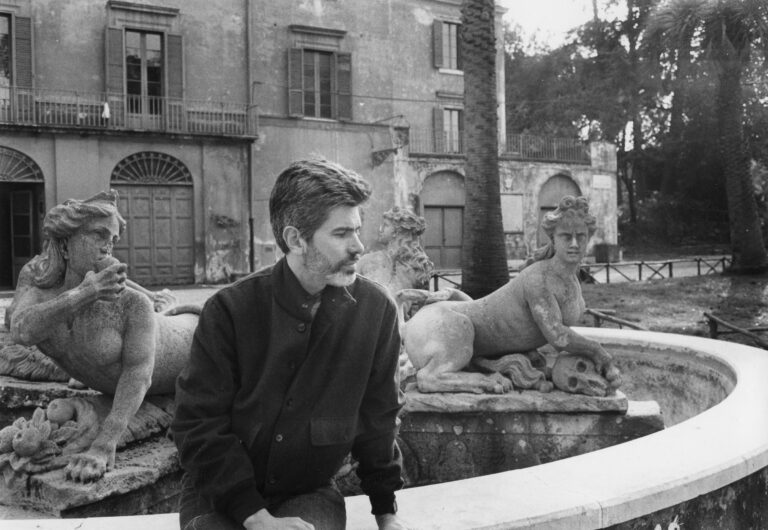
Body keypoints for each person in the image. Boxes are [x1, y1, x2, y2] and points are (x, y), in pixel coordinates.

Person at [171, 159, 408, 530]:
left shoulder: (376, 312)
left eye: (358, 231)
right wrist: (256, 517)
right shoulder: (230, 310)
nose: (359, 247)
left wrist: (387, 515)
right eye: (342, 233)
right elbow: (197, 425)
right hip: (217, 494)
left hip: (308, 491)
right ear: (296, 239)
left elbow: (379, 420)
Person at [6, 190, 198, 481]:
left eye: (113, 238)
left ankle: (171, 307)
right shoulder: (37, 283)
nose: (108, 245)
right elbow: (21, 330)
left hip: (193, 343)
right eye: (98, 234)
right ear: (65, 244)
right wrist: (85, 294)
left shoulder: (130, 305)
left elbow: (138, 376)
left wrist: (104, 445)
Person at [401, 195, 622, 394]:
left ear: (588, 238)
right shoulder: (539, 279)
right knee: (461, 327)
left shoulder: (570, 280)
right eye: (566, 236)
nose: (574, 244)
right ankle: (435, 377)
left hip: (463, 331)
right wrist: (599, 353)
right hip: (437, 325)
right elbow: (557, 336)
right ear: (553, 239)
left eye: (581, 236)